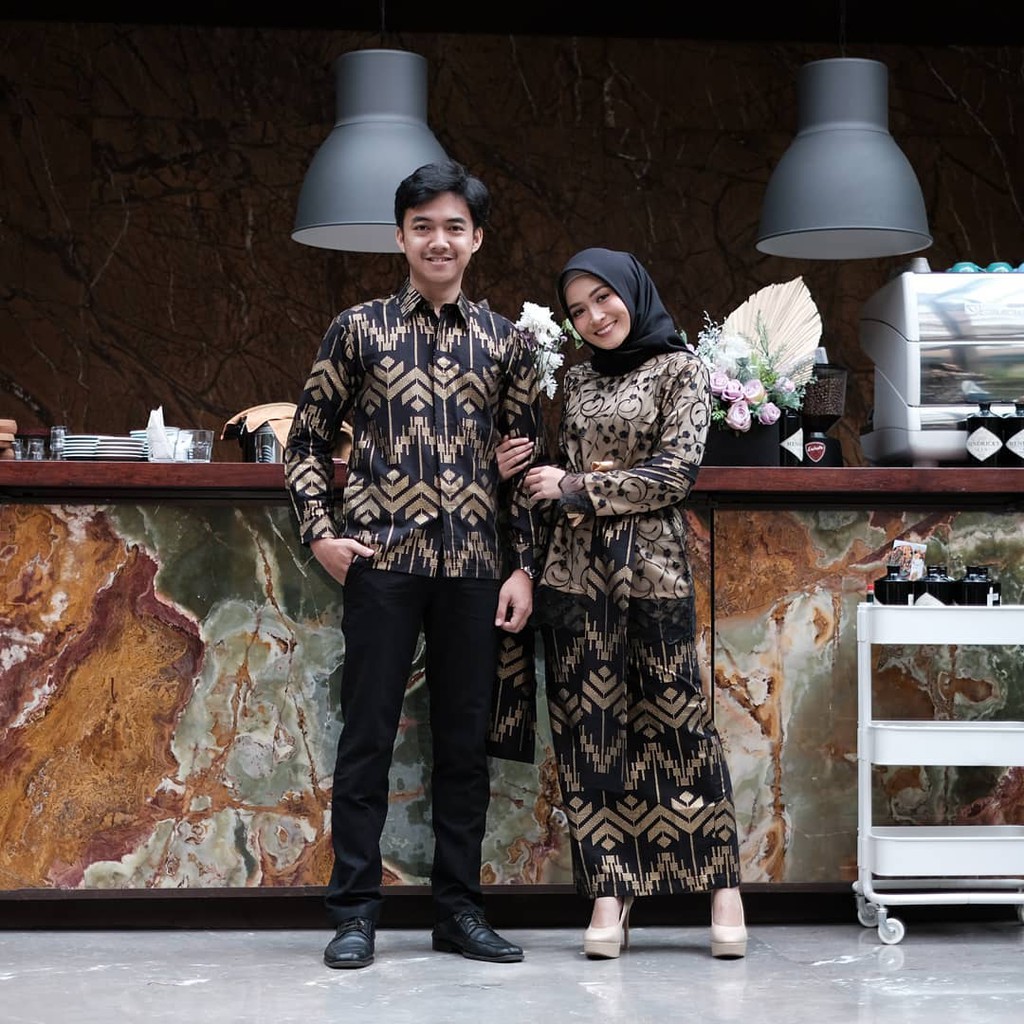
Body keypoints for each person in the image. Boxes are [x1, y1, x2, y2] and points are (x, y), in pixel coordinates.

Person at [284, 159, 544, 970]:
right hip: (383, 562)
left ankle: (459, 911)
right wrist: (320, 534)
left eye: (453, 227)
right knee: (366, 738)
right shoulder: (357, 330)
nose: (439, 240)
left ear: (477, 240)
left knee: (463, 747)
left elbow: (528, 468)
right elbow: (304, 442)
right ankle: (354, 914)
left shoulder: (508, 342)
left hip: (474, 567)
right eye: (422, 226)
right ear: (399, 237)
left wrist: (522, 567)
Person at [497, 247, 747, 960]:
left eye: (603, 298)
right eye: (577, 310)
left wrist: (578, 487)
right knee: (589, 734)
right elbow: (551, 478)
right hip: (574, 578)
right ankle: (610, 891)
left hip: (653, 574)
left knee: (680, 724)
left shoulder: (681, 370)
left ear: (632, 293)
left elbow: (676, 473)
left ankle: (723, 886)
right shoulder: (576, 381)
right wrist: (523, 474)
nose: (594, 317)